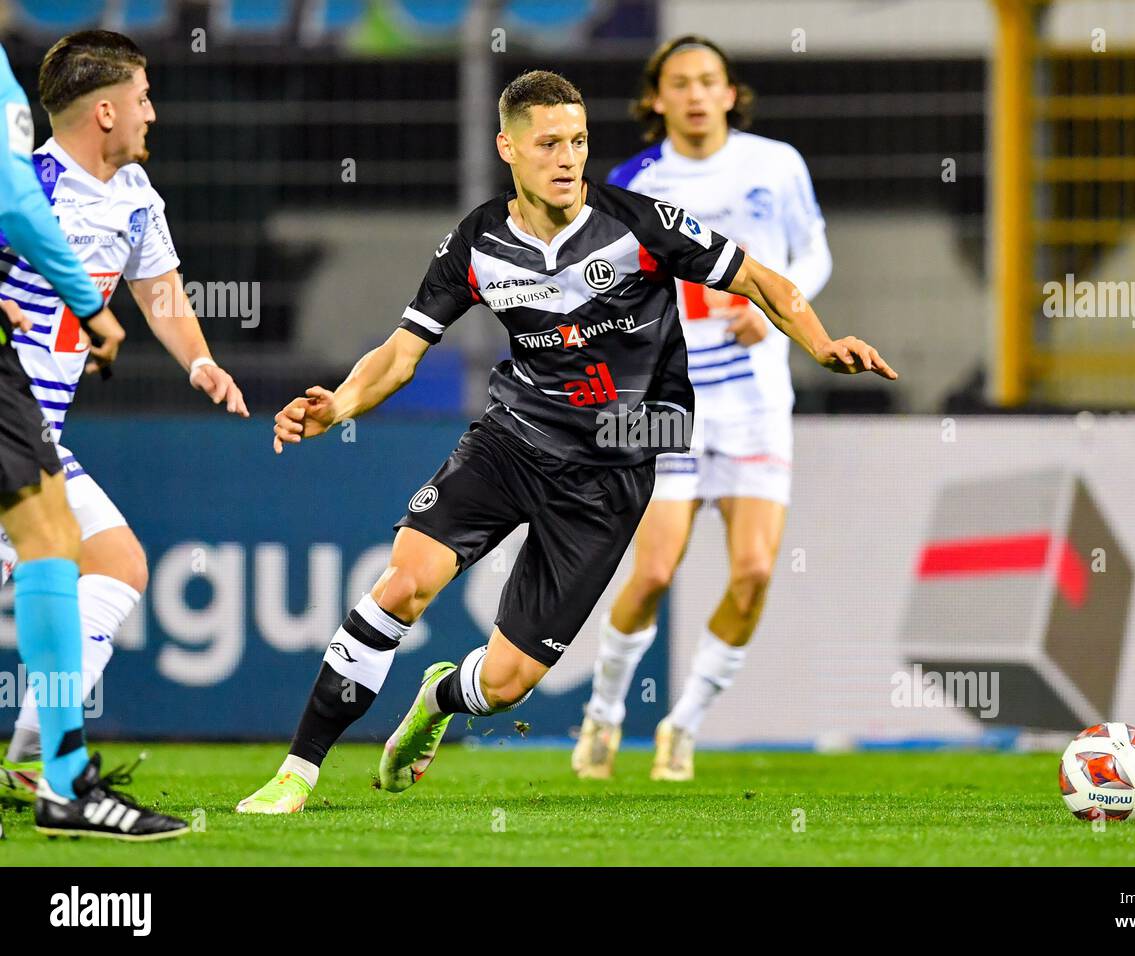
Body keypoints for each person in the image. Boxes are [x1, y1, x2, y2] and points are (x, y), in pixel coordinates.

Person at [237, 69, 894, 814]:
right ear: (507, 148)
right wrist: (340, 404)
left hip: (613, 468)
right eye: (548, 143)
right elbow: (400, 352)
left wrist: (821, 342)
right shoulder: (477, 244)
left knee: (507, 683)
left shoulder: (640, 224)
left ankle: (439, 701)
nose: (568, 158)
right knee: (405, 582)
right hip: (513, 441)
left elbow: (763, 280)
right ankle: (297, 771)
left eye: (578, 141)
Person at [0, 31, 247, 819]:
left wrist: (200, 362)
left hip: (37, 436)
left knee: (117, 564)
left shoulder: (135, 193)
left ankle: (39, 757)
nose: (153, 110)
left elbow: (160, 292)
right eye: (142, 97)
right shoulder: (26, 183)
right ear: (104, 110)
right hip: (10, 424)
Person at [572, 35, 833, 781]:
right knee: (653, 571)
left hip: (754, 402)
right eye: (678, 83)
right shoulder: (632, 179)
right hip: (668, 402)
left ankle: (682, 726)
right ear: (656, 98)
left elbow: (814, 253)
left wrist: (779, 305)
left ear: (729, 93)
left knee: (752, 572)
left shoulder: (775, 164)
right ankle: (605, 712)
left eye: (708, 81)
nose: (694, 94)